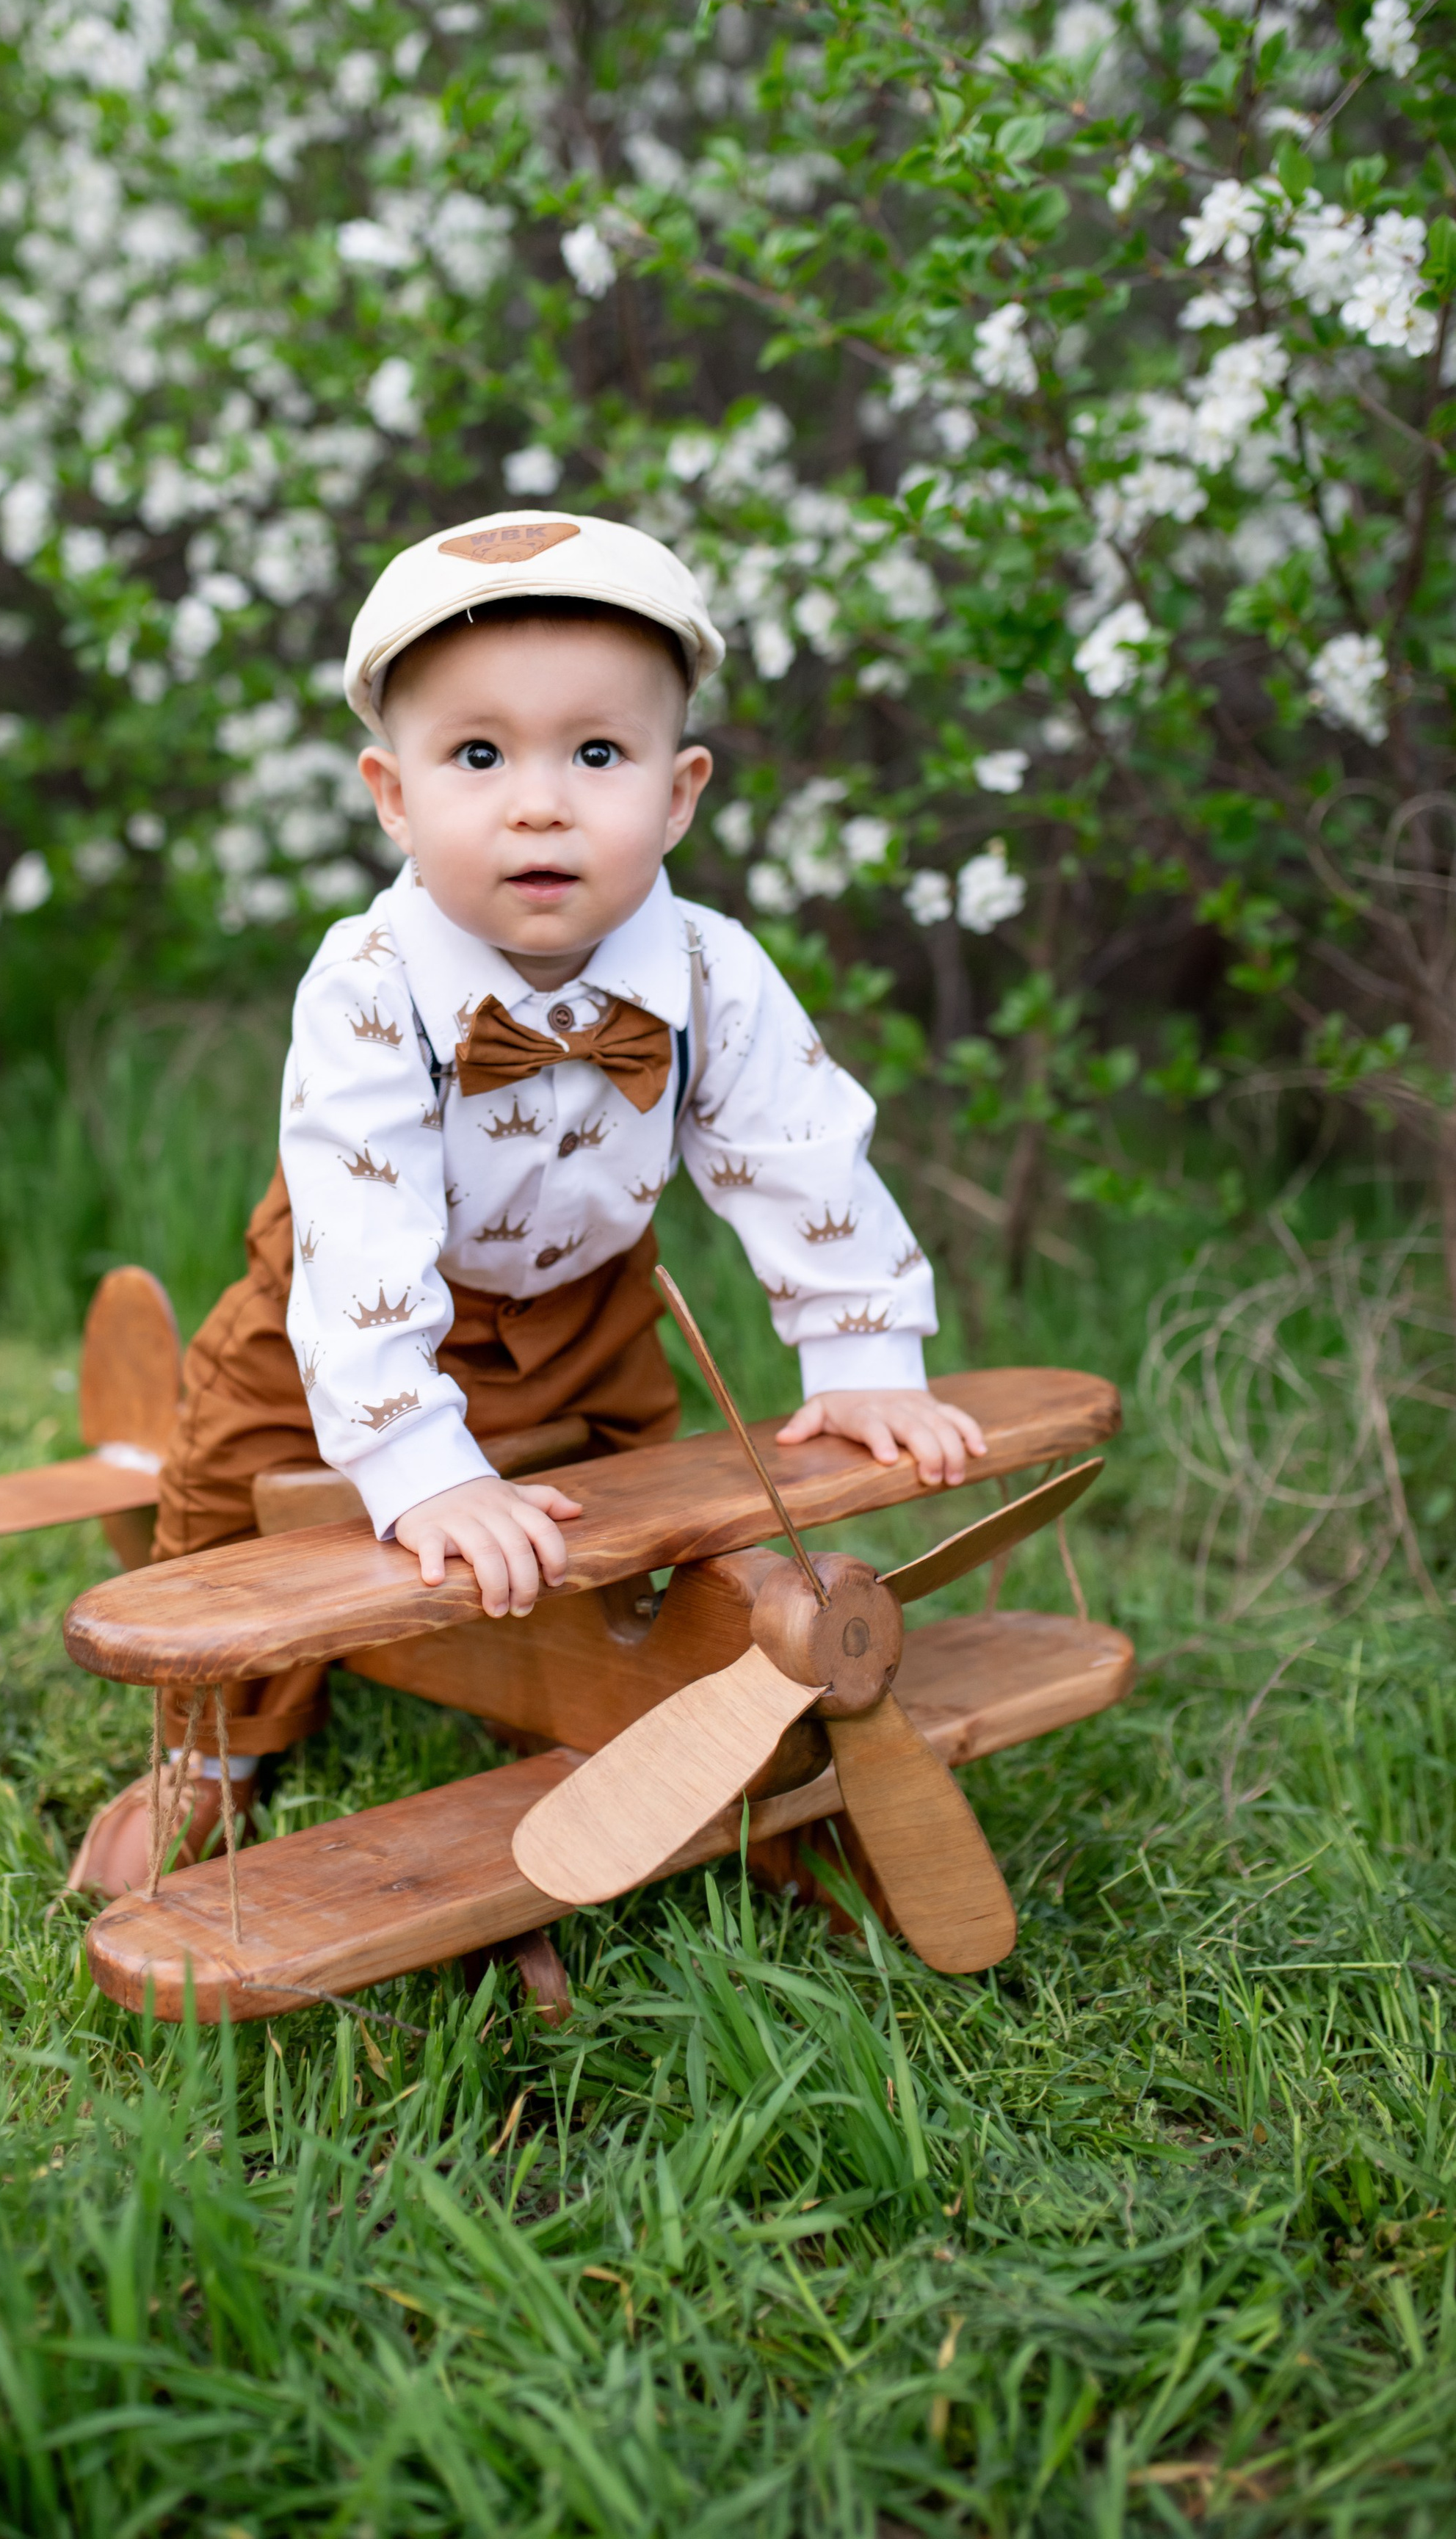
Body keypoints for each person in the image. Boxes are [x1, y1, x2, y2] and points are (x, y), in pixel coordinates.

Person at [66, 509, 983, 1896]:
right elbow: (364, 1236)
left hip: (588, 1307)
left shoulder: (713, 971)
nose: (540, 804)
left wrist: (863, 1353)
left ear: (678, 795)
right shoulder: (368, 983)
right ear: (393, 794)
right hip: (345, 1304)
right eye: (479, 756)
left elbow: (801, 1147)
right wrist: (415, 1457)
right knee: (233, 1484)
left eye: (597, 754)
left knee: (641, 1512)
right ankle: (214, 1747)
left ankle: (604, 1696)